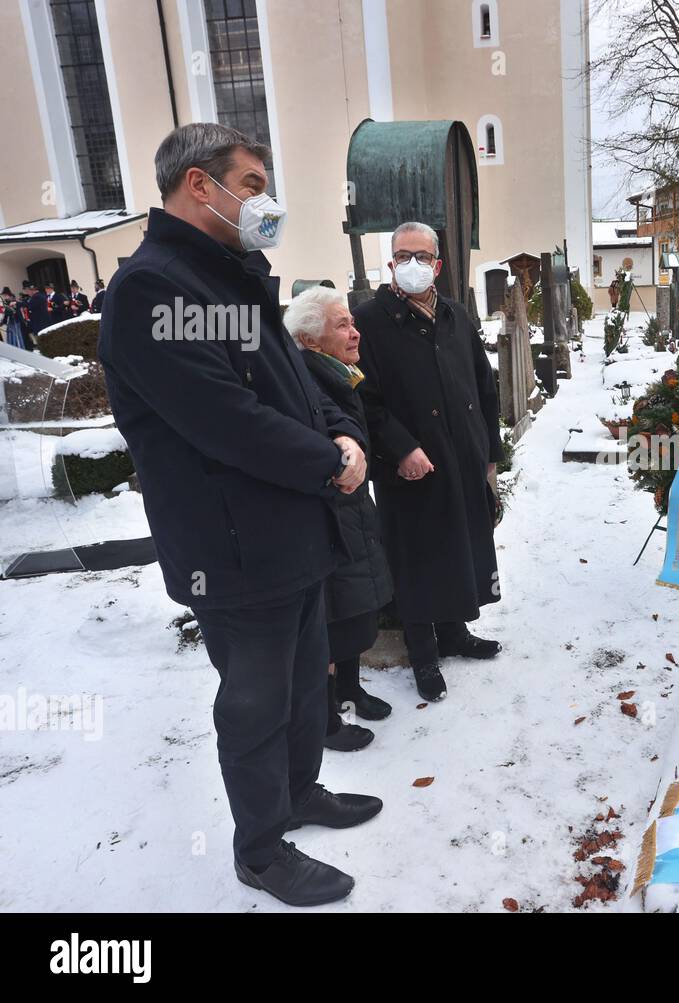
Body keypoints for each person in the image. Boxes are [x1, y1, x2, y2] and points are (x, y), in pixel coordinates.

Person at [98, 122, 382, 907]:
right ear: (200, 185)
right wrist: (331, 464)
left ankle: (296, 794)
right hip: (232, 546)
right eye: (252, 184)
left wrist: (341, 432)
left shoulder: (231, 277)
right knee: (255, 701)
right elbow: (225, 420)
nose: (265, 201)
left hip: (291, 532)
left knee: (299, 688)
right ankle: (259, 847)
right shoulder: (155, 289)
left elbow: (294, 383)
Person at [353, 221, 503, 703]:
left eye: (421, 255)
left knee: (458, 543)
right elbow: (364, 398)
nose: (411, 264)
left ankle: (455, 632)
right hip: (408, 466)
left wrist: (489, 454)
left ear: (437, 264)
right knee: (416, 553)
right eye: (402, 255)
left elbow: (484, 386)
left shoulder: (455, 315)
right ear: (391, 262)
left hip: (462, 454)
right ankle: (422, 653)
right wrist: (400, 448)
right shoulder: (371, 321)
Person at [284, 285, 394, 751]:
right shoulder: (308, 379)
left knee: (355, 603)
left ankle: (349, 686)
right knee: (334, 614)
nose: (355, 332)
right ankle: (326, 719)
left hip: (353, 503)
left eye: (352, 322)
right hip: (331, 510)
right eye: (342, 325)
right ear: (310, 341)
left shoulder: (341, 372)